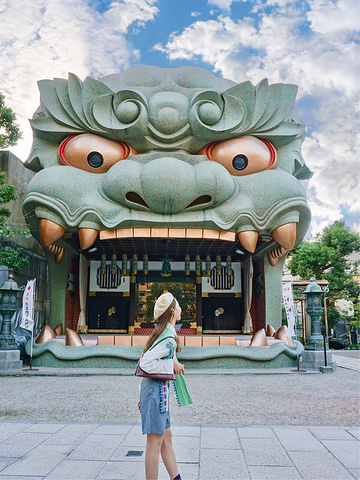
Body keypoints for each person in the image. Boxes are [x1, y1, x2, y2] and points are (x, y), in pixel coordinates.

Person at [137, 291, 192, 480]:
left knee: (166, 439)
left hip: (158, 394)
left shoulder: (165, 333)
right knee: (154, 443)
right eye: (178, 306)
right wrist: (172, 364)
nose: (181, 309)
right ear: (171, 312)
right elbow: (144, 363)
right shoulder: (168, 338)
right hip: (156, 394)